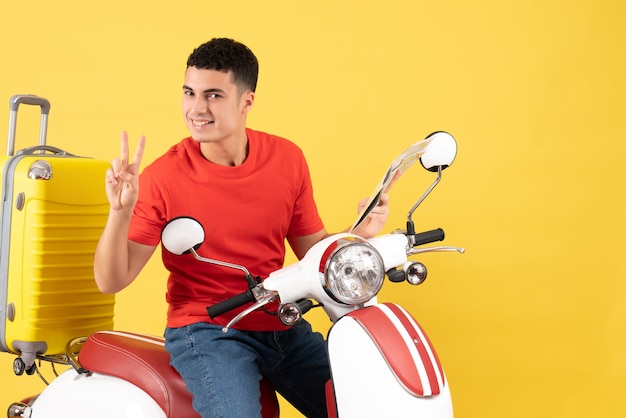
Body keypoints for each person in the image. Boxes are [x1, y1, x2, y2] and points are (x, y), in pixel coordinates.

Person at [94, 37, 390, 418]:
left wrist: (359, 234)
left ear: (246, 100)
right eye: (189, 93)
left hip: (281, 318)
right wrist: (119, 212)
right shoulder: (162, 178)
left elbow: (313, 251)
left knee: (363, 405)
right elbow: (110, 281)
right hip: (207, 331)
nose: (196, 109)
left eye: (213, 95)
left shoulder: (287, 159)